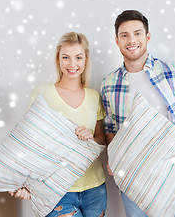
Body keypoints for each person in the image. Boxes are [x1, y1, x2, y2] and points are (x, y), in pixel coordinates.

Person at [101, 10, 175, 217]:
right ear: (116, 41)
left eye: (137, 33)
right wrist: (114, 158)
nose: (131, 40)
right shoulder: (109, 83)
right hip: (132, 180)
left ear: (147, 37)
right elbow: (110, 129)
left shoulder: (173, 72)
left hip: (173, 176)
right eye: (124, 35)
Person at [10, 32, 107, 217]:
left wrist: (91, 138)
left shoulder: (94, 96)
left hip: (95, 188)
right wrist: (20, 180)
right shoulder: (42, 93)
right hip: (56, 191)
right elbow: (28, 141)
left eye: (78, 57)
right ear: (58, 60)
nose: (72, 64)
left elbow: (102, 140)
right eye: (66, 57)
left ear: (85, 60)